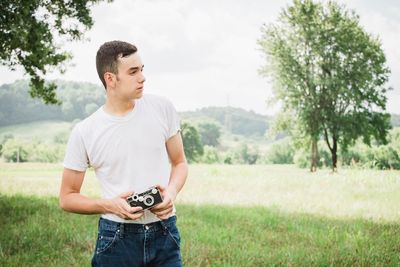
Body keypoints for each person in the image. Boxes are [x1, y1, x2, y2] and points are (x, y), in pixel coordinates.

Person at [59, 40, 188, 267]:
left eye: (142, 69)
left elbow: (179, 163)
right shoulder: (85, 131)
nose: (142, 77)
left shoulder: (163, 108)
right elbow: (67, 197)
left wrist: (172, 192)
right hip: (116, 238)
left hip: (165, 230)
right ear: (110, 79)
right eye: (133, 71)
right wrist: (110, 205)